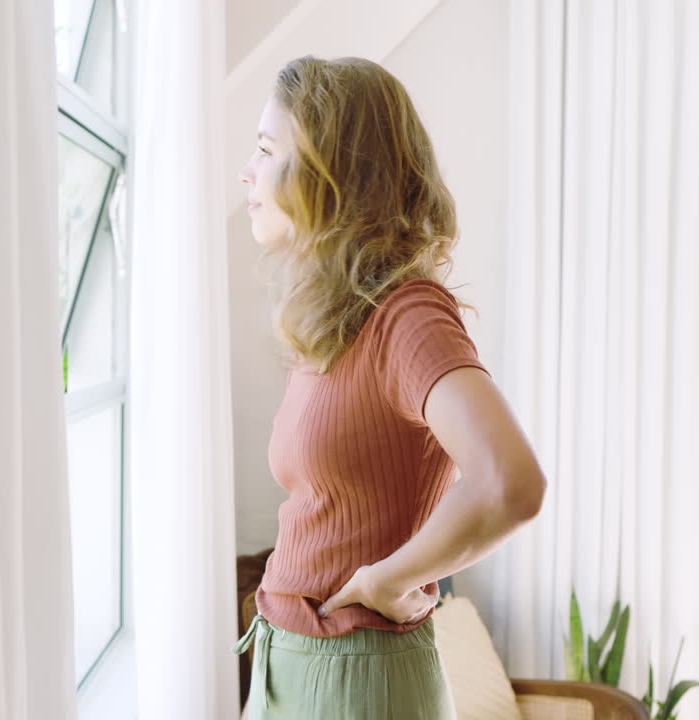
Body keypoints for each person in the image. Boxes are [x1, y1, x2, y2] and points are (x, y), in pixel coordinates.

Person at [231, 55, 546, 720]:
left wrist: (384, 577)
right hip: (291, 665)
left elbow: (511, 482)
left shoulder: (408, 314)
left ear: (328, 168)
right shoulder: (334, 321)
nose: (247, 174)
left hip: (354, 680)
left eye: (265, 150)